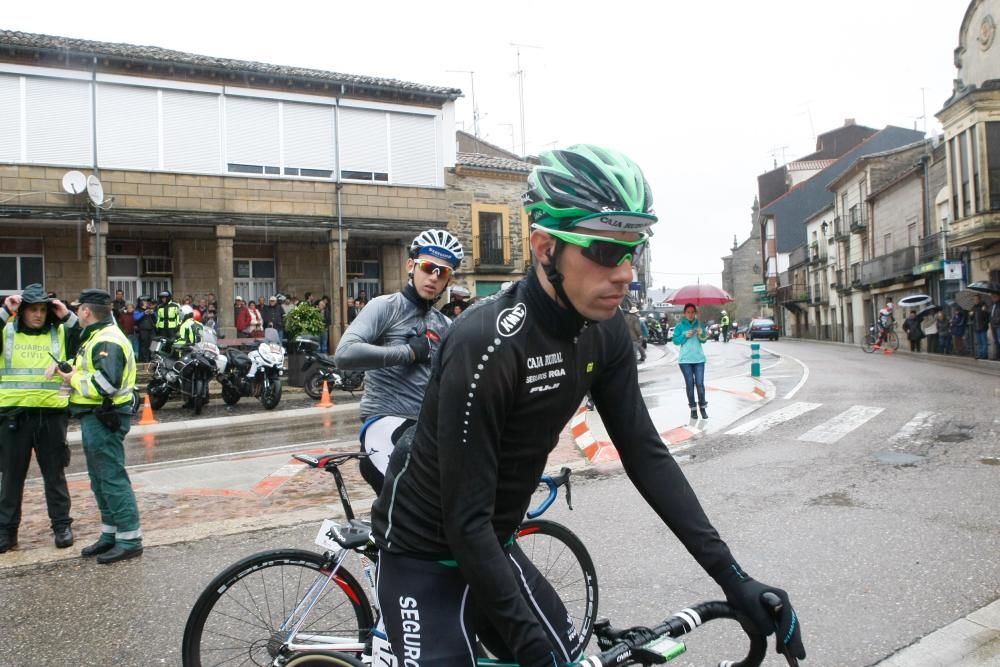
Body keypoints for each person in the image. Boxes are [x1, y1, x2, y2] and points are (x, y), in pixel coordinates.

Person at [371, 144, 805, 666]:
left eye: (632, 250)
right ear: (545, 247)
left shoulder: (606, 333)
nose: (623, 272)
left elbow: (646, 456)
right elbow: (465, 520)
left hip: (494, 543)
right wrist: (536, 651)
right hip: (423, 551)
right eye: (603, 250)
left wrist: (735, 579)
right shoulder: (485, 343)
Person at [335, 229, 462, 494]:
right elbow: (345, 354)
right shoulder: (385, 306)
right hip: (385, 425)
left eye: (443, 272)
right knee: (413, 504)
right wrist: (408, 352)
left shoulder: (445, 324)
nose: (434, 277)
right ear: (411, 266)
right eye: (428, 267)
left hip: (423, 430)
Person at [57, 289, 142, 564]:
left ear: (86, 311)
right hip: (95, 416)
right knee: (100, 479)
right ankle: (111, 534)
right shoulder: (96, 336)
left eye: (78, 308)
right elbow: (90, 370)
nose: (77, 312)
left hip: (104, 416)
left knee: (111, 478)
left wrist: (71, 380)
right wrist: (70, 369)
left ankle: (129, 539)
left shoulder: (106, 339)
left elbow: (107, 384)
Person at [0, 284, 80, 553]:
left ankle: (61, 527)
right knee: (11, 478)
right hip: (14, 416)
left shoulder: (60, 331)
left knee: (54, 475)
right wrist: (3, 312)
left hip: (51, 416)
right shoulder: (7, 331)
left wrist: (67, 314)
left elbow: (87, 336)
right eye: (32, 309)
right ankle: (7, 532)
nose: (38, 315)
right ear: (21, 311)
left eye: (43, 309)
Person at [674, 303, 709, 419]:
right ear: (685, 313)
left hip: (699, 359)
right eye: (688, 312)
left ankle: (702, 407)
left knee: (700, 384)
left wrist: (701, 333)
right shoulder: (680, 326)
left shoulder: (700, 324)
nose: (690, 314)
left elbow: (704, 340)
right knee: (690, 384)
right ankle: (693, 409)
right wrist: (685, 336)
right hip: (685, 361)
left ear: (695, 313)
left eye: (692, 312)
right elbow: (675, 341)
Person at [134, 297, 156, 363]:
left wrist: (153, 313)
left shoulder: (149, 309)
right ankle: (145, 360)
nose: (147, 303)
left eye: (147, 302)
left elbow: (156, 318)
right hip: (143, 330)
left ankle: (152, 359)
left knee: (153, 344)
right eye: (145, 302)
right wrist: (144, 313)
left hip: (151, 330)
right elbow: (136, 318)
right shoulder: (138, 309)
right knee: (144, 346)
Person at [971, 294, 990, 360]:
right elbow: (971, 318)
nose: (975, 300)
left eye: (976, 299)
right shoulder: (973, 307)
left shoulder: (983, 306)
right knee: (979, 342)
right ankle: (980, 354)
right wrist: (971, 315)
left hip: (982, 327)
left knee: (984, 341)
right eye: (974, 299)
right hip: (976, 327)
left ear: (979, 299)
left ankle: (984, 355)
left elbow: (987, 317)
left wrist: (984, 311)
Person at [991, 293, 1000, 361]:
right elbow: (991, 315)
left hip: (998, 325)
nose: (993, 298)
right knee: (996, 341)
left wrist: (996, 320)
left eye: (994, 297)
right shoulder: (993, 305)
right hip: (993, 325)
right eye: (992, 297)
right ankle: (997, 355)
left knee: (999, 340)